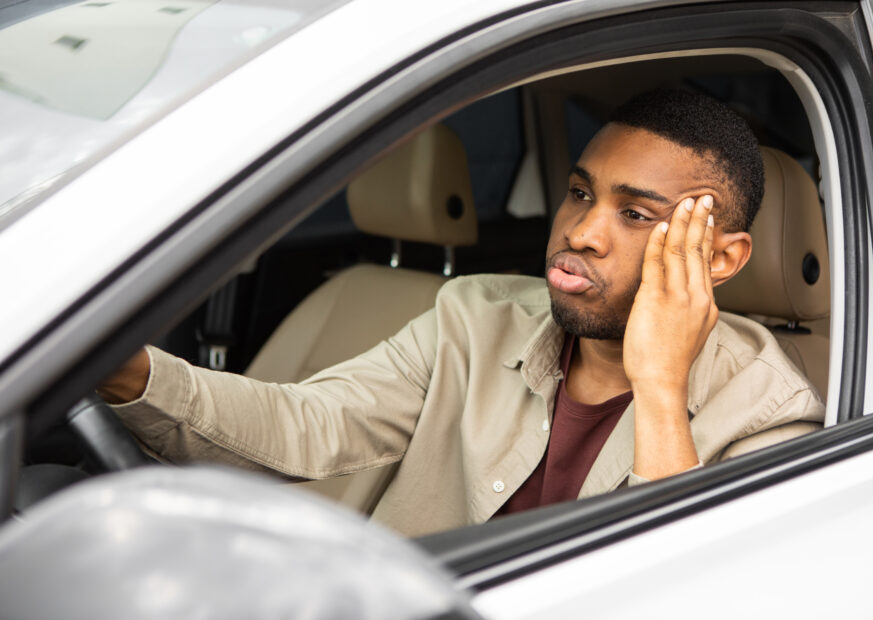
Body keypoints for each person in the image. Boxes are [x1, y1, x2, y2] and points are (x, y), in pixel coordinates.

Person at [98, 89, 824, 537]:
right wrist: (126, 373)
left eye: (635, 213)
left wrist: (662, 388)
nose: (581, 232)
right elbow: (308, 425)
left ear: (721, 259)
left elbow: (682, 590)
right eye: (579, 193)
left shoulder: (769, 412)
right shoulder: (475, 316)